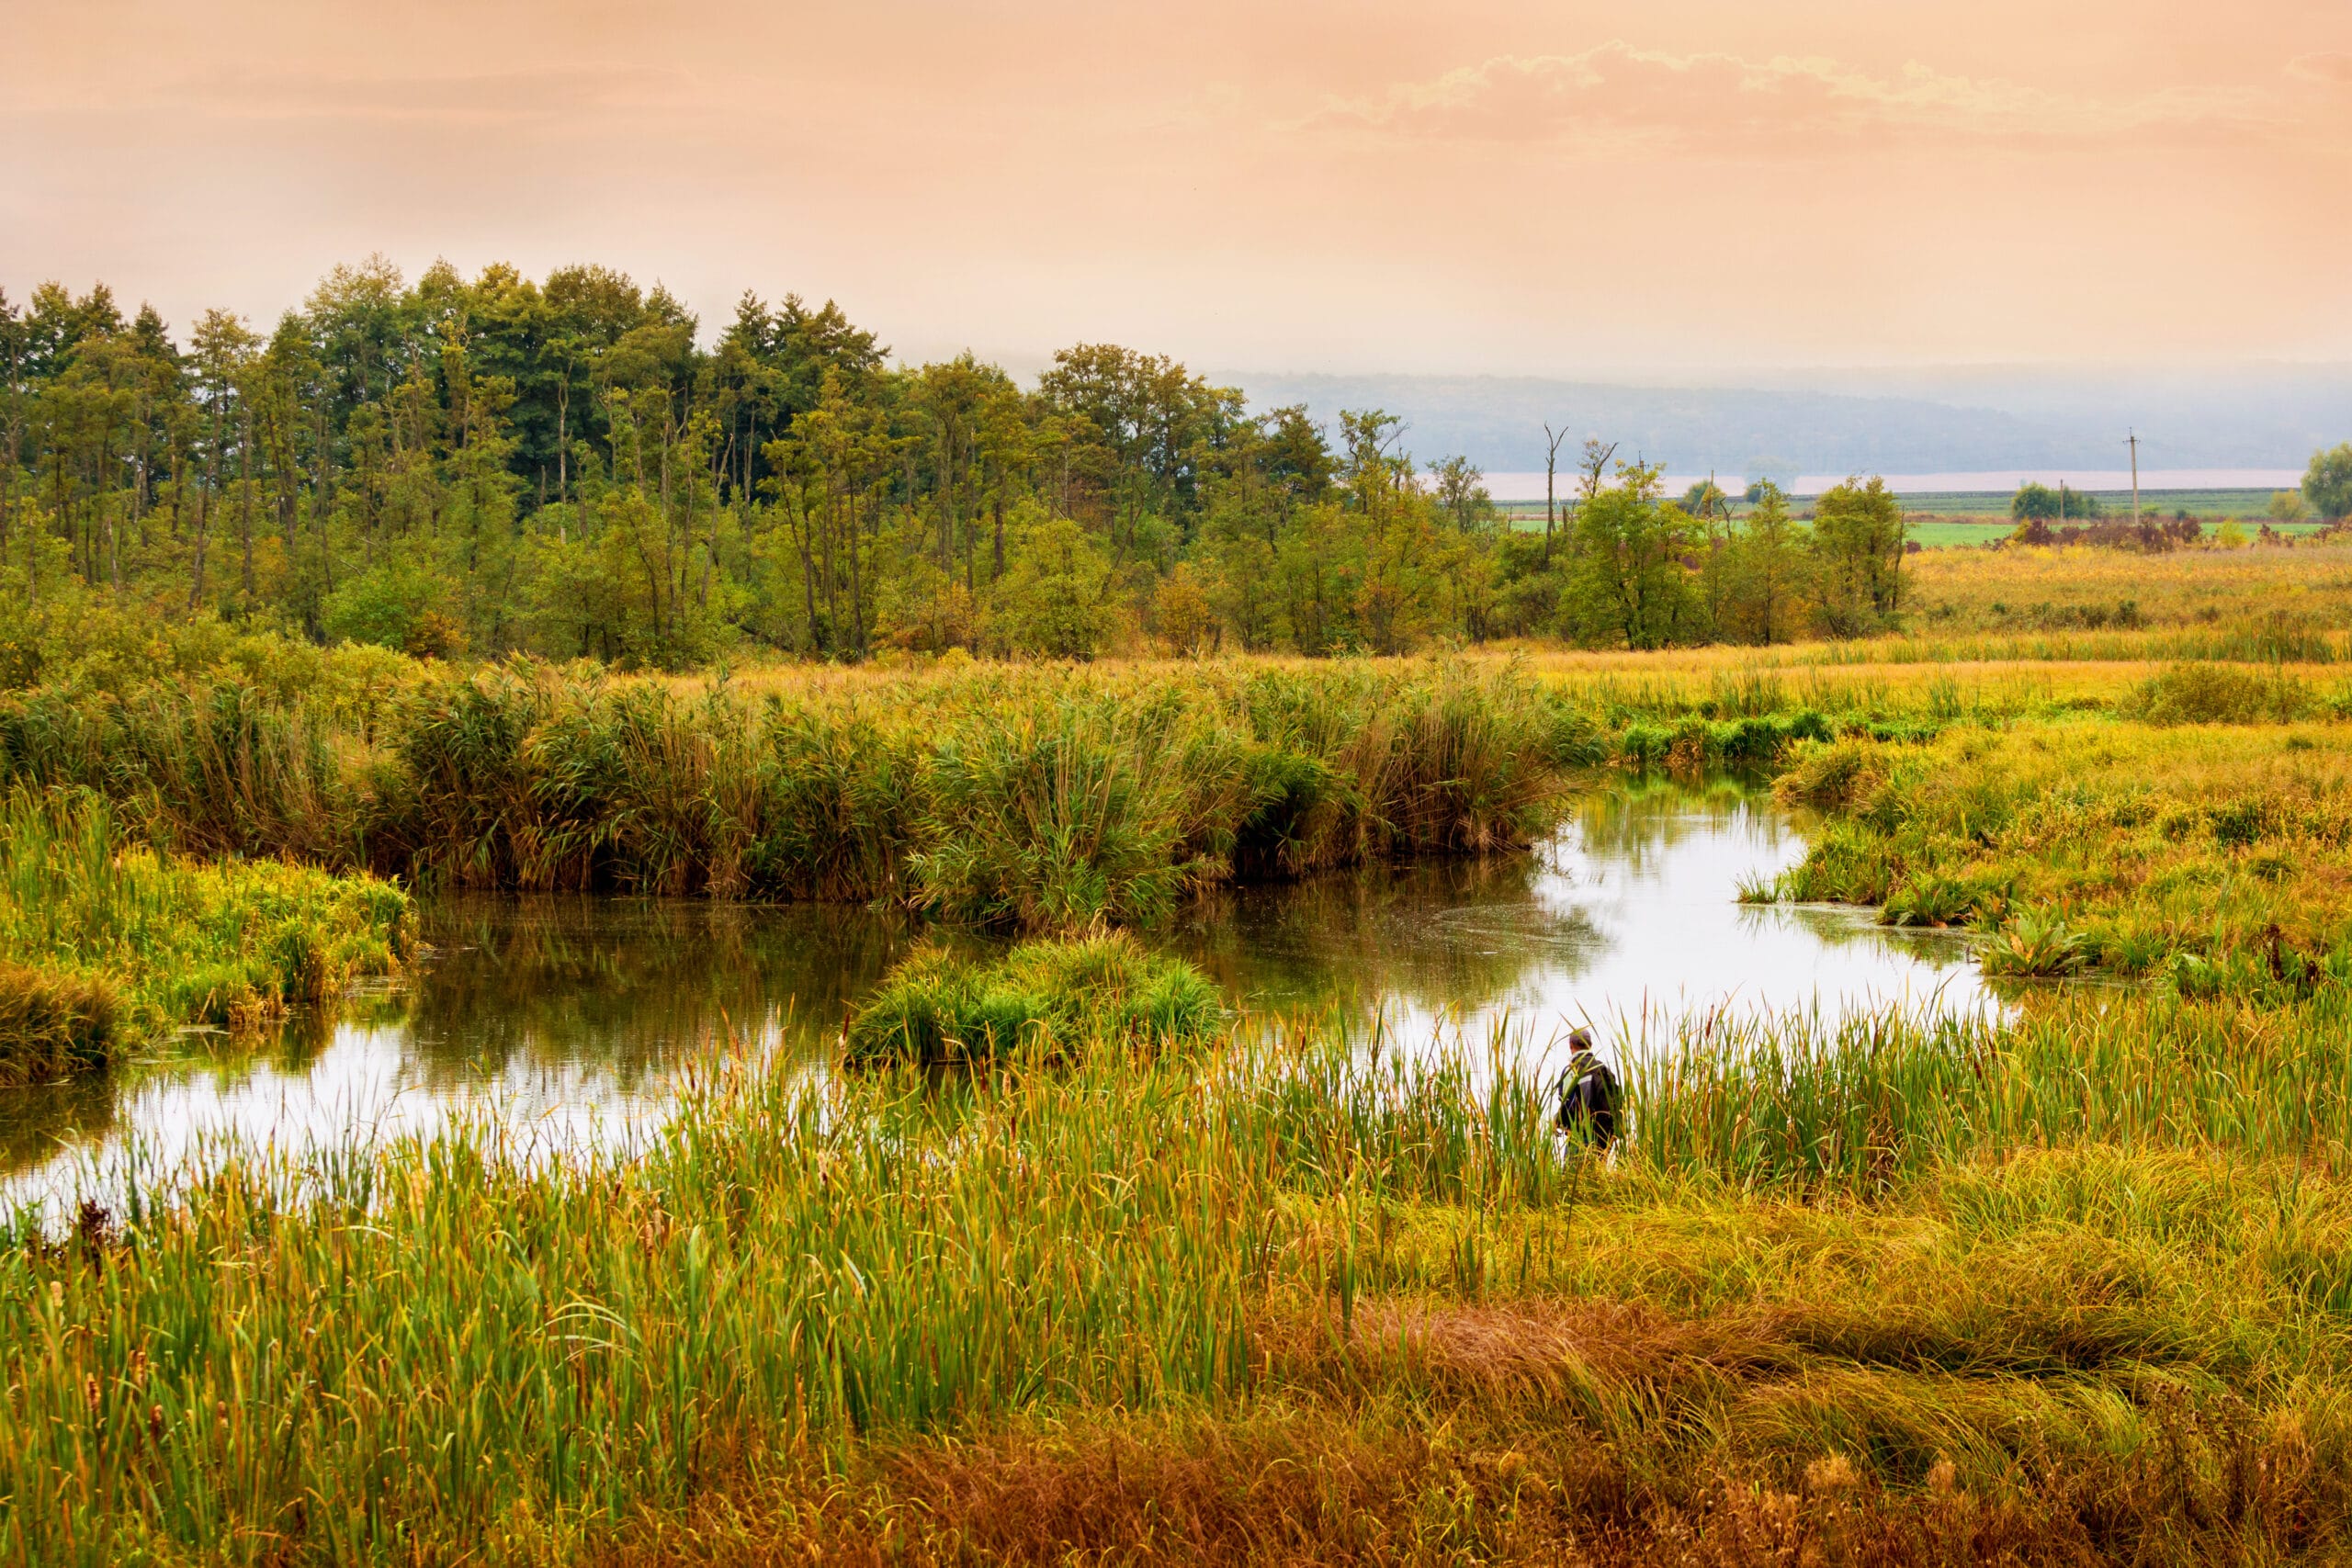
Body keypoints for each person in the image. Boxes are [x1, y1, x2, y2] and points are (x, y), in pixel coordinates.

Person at [1555, 1027, 1621, 1150]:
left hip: (1580, 1137)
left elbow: (1567, 1105)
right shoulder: (1603, 1069)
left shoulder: (1570, 1070)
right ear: (1590, 1045)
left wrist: (1557, 1121)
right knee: (1598, 1169)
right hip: (1603, 1138)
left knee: (1571, 1169)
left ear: (1571, 1045)